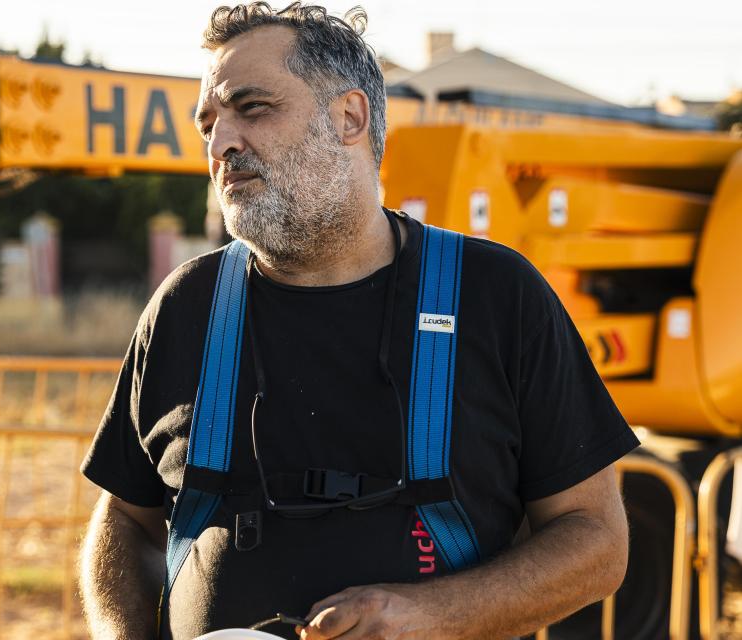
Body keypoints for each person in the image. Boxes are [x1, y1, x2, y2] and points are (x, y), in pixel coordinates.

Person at [78, 3, 640, 639]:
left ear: (349, 118)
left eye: (252, 108)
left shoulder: (496, 296)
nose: (220, 144)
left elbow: (597, 540)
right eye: (208, 124)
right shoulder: (186, 307)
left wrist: (431, 616)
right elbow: (124, 519)